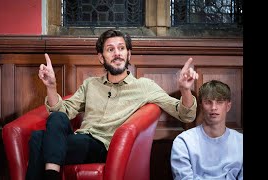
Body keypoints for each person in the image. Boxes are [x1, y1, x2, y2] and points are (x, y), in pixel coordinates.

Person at [26, 29, 199, 180]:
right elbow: (62, 110)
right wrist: (51, 87)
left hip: (103, 147)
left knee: (38, 140)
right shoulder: (91, 84)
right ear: (101, 58)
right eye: (110, 49)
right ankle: (52, 175)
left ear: (128, 54)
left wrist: (185, 90)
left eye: (121, 48)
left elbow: (185, 114)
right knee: (54, 120)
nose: (117, 53)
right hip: (80, 138)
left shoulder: (145, 86)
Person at [170, 80, 243, 180]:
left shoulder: (241, 142)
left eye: (219, 102)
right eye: (208, 102)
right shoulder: (183, 142)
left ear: (228, 106)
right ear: (201, 106)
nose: (213, 107)